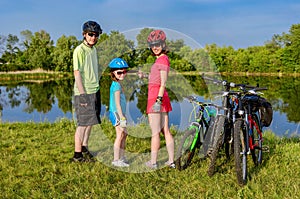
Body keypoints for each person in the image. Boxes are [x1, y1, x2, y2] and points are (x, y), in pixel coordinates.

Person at [70, 21, 102, 162]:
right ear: (84, 34)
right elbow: (77, 73)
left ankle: (85, 147)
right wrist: (83, 95)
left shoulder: (93, 49)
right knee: (82, 124)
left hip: (95, 90)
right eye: (90, 34)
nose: (93, 37)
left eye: (96, 35)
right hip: (84, 93)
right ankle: (77, 155)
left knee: (91, 121)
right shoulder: (79, 50)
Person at [144, 30, 175, 169]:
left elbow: (163, 83)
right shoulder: (161, 59)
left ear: (163, 44)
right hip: (159, 96)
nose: (155, 47)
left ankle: (153, 162)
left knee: (155, 132)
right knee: (165, 130)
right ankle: (171, 161)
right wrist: (145, 76)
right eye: (152, 44)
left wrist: (158, 101)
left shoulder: (162, 59)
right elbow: (157, 79)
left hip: (157, 98)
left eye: (157, 44)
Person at [108, 58, 130, 167]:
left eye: (124, 72)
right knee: (120, 135)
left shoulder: (118, 83)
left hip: (120, 114)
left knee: (124, 134)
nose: (122, 74)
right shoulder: (116, 85)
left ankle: (122, 156)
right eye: (119, 72)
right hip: (117, 114)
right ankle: (116, 160)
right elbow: (117, 104)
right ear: (113, 73)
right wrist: (122, 117)